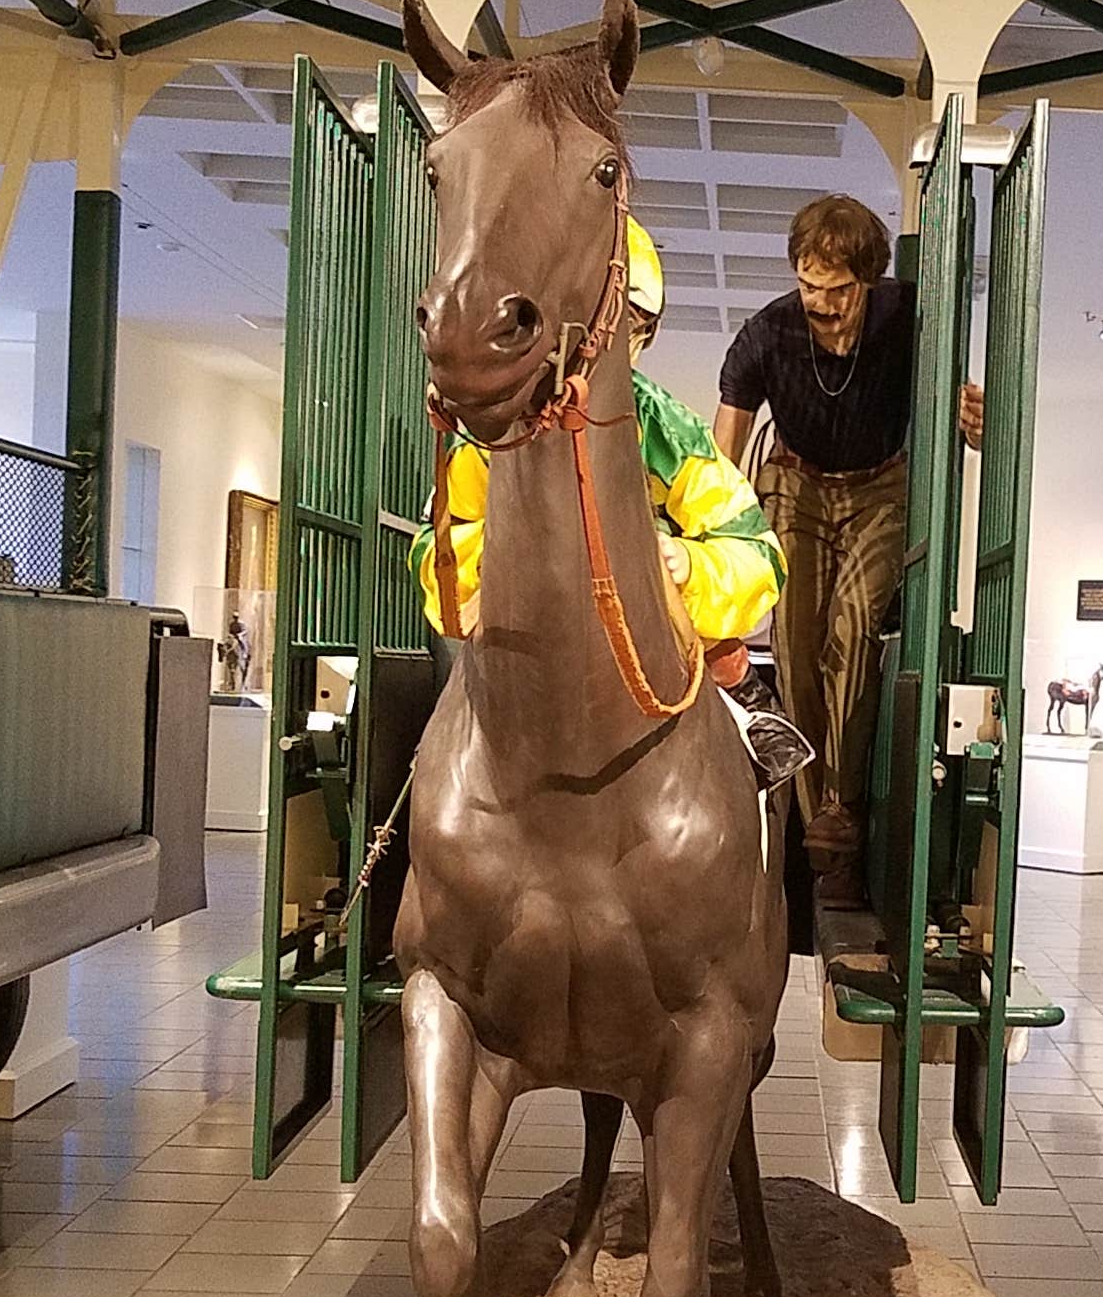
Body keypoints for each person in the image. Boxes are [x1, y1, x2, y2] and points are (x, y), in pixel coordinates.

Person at [410, 217, 808, 782]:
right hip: (521, 645)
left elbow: (757, 552)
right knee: (436, 752)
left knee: (741, 722)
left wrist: (688, 565)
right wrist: (499, 571)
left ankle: (752, 729)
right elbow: (440, 549)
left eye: (630, 328)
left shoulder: (666, 429)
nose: (605, 349)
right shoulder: (490, 433)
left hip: (652, 633)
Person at [714, 194, 980, 903]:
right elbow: (721, 452)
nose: (820, 304)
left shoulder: (907, 317)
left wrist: (960, 406)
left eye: (836, 290)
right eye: (808, 286)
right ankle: (815, 837)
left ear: (869, 280)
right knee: (796, 649)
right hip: (794, 486)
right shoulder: (766, 334)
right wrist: (707, 529)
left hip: (880, 489)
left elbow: (947, 391)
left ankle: (842, 809)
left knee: (855, 626)